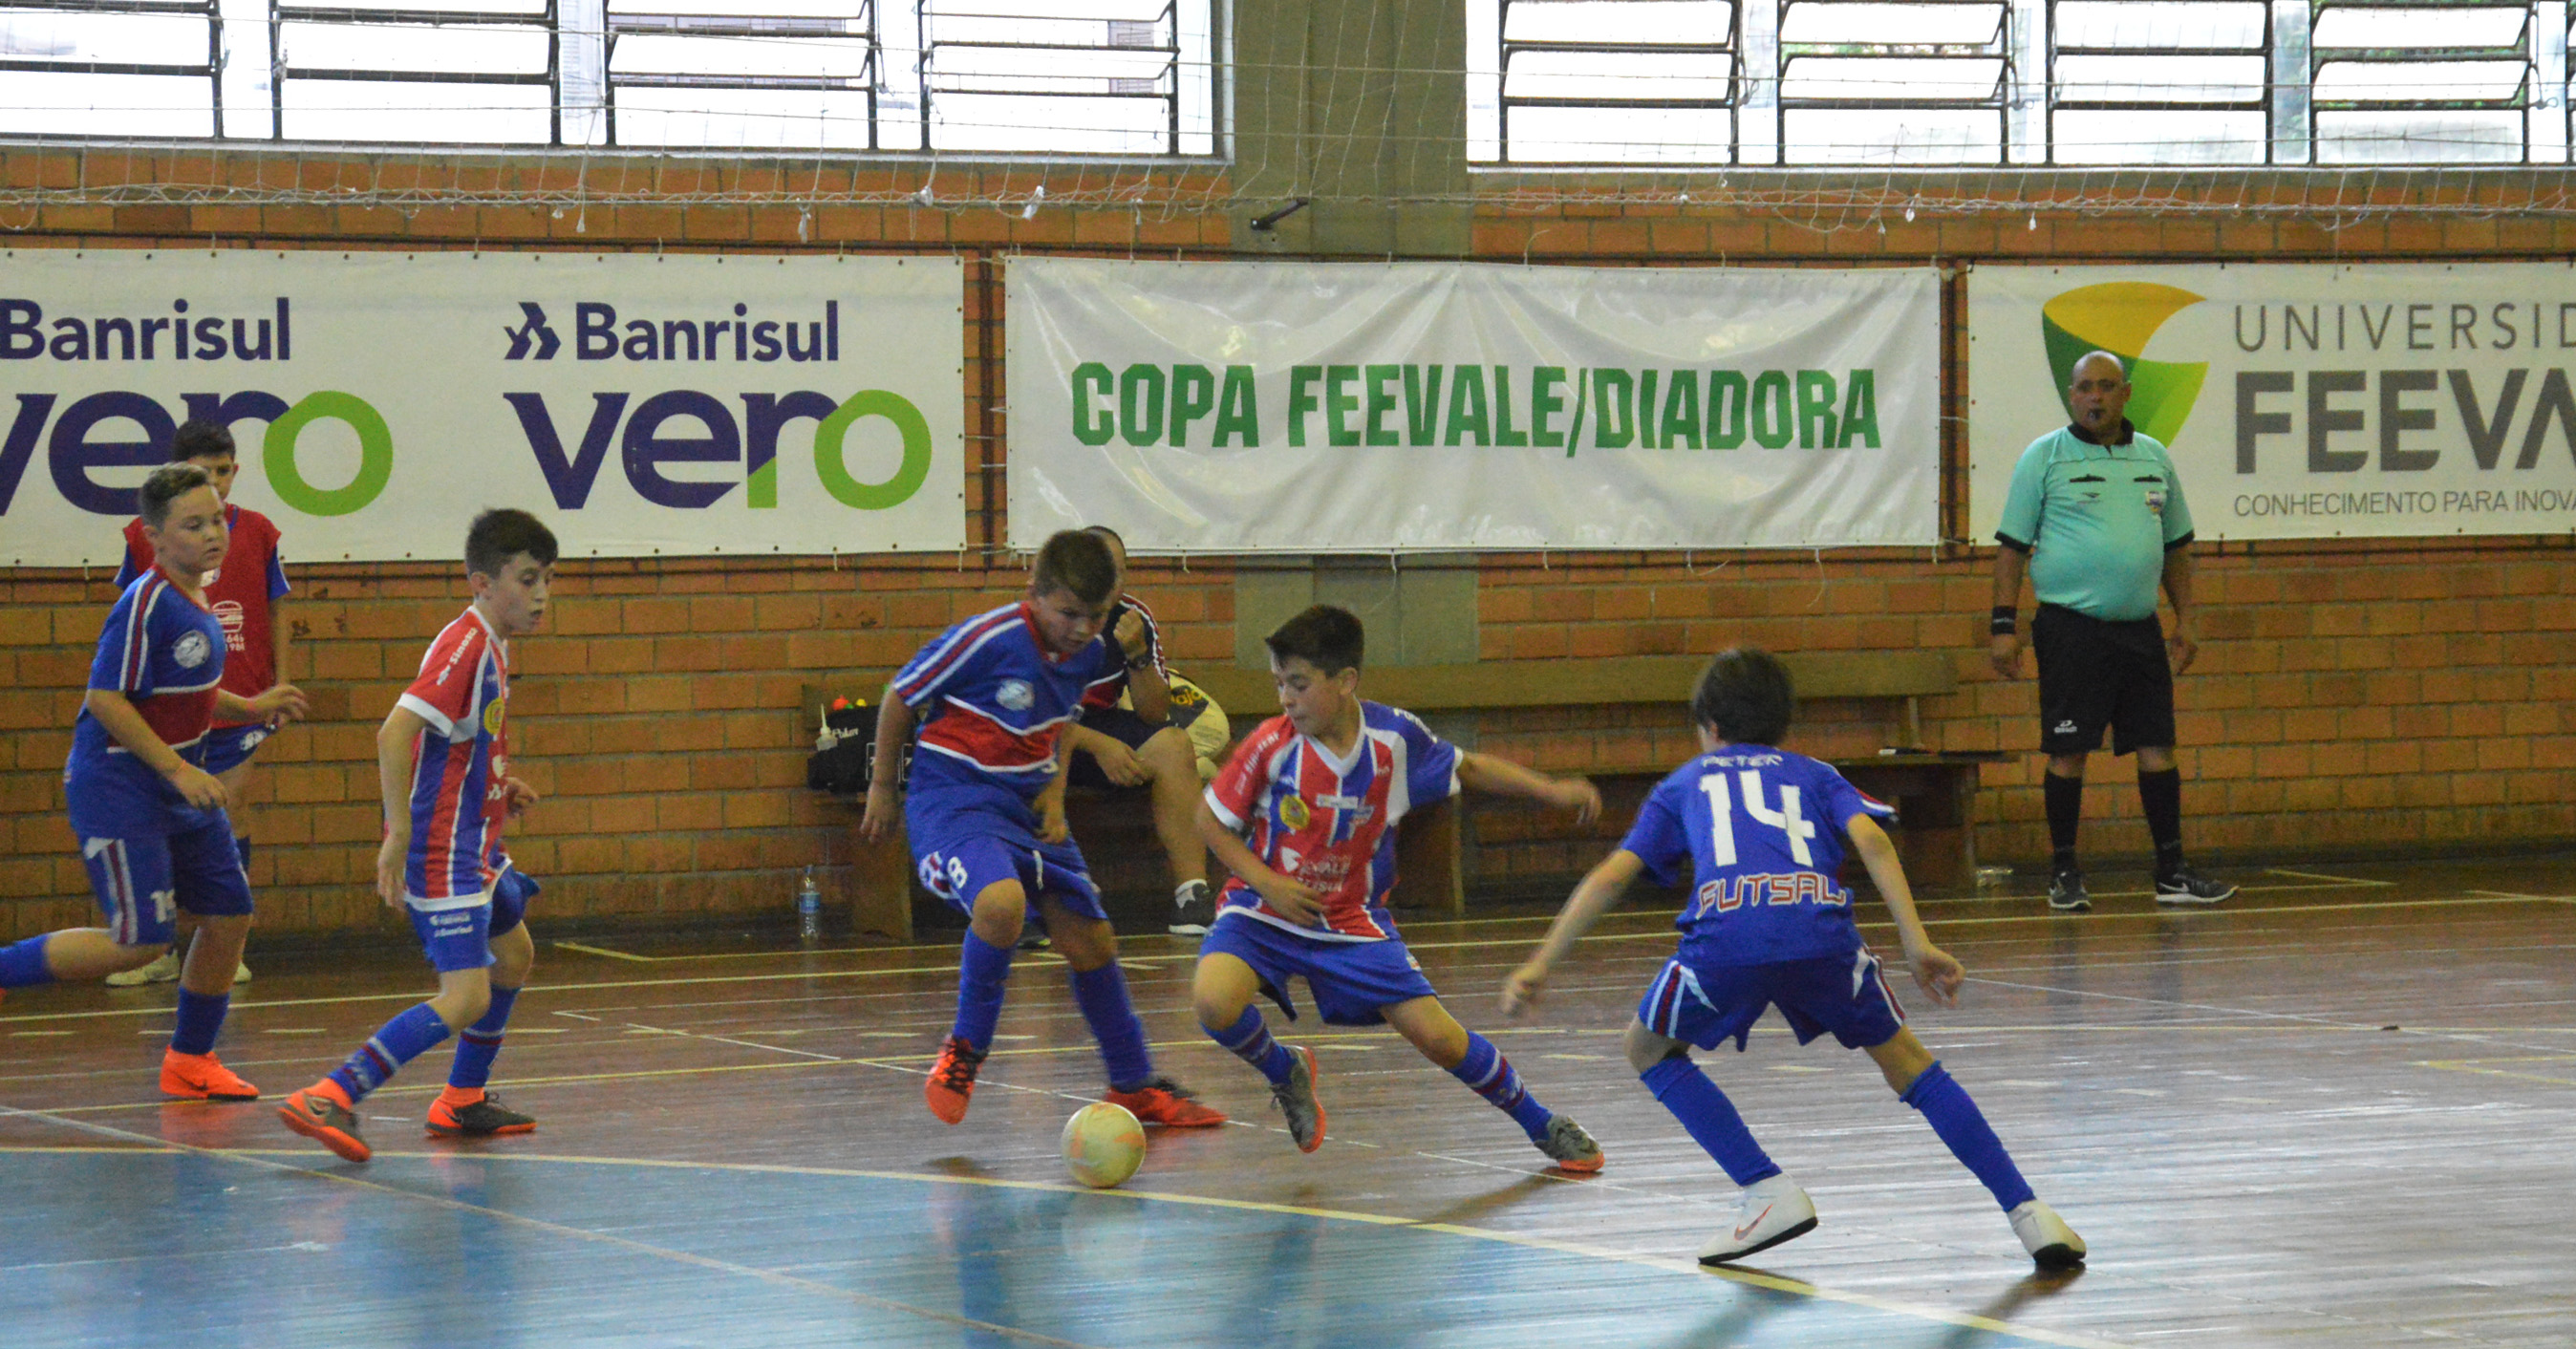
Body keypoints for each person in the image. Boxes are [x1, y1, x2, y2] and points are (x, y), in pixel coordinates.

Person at [1501, 648, 2085, 1270]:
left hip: (1727, 940)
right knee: (1911, 1065)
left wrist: (1541, 962)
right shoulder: (1815, 773)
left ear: (1710, 727)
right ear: (1783, 724)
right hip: (1820, 935)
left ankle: (1764, 1188)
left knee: (1646, 1048)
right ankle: (2028, 1213)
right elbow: (1873, 840)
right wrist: (1915, 941)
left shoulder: (1684, 782)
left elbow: (1612, 877)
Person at [1192, 604, 1608, 1171]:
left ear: (1346, 681)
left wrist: (1551, 791)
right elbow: (1209, 820)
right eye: (1279, 684)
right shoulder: (1271, 744)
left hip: (1350, 918)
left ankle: (1542, 1123)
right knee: (1213, 1001)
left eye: (1299, 684)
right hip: (1263, 909)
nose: (1286, 698)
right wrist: (1267, 882)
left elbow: (1469, 767)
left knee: (1440, 1039)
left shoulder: (1394, 739)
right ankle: (1284, 1068)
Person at [859, 529, 1226, 1130]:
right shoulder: (988, 638)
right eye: (1068, 613)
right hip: (955, 802)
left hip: (1026, 806)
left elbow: (1061, 724)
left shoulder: (1088, 652)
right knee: (1001, 904)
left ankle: (1133, 1084)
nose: (1082, 629)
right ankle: (964, 1051)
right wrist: (881, 786)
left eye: (1096, 616)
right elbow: (900, 695)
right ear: (1034, 590)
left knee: (1093, 942)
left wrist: (1054, 796)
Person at [0, 464, 307, 1100]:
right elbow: (106, 699)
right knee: (140, 942)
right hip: (121, 786)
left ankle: (190, 1060)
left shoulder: (199, 595)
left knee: (229, 915)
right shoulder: (145, 603)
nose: (212, 533)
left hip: (176, 785)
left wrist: (249, 706)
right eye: (193, 525)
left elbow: (186, 690)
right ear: (154, 537)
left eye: (217, 519)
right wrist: (177, 768)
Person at [276, 509, 556, 1162]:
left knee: (514, 955)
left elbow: (454, 744)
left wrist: (498, 788)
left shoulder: (494, 643)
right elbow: (394, 732)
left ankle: (460, 1099)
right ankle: (329, 1095)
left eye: (547, 578)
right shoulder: (466, 646)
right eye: (527, 579)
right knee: (467, 996)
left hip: (477, 845)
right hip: (442, 851)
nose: (541, 594)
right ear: (482, 582)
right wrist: (397, 831)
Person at [1990, 350, 2234, 912]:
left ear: (2125, 394)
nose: (2094, 397)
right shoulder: (2044, 457)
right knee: (2068, 750)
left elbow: (2176, 547)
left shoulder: (2154, 458)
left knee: (2157, 745)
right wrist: (2003, 626)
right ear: (2071, 395)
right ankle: (2064, 873)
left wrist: (2186, 619)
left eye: (2105, 387)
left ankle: (2171, 873)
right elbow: (2011, 550)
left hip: (2139, 630)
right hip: (2070, 629)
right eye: (2084, 388)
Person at [105, 419, 290, 987]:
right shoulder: (145, 557)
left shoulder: (257, 533)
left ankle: (224, 945)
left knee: (226, 807)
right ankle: (159, 947)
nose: (216, 483)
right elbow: (118, 656)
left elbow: (277, 605)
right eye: (202, 473)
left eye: (224, 471)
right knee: (168, 815)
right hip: (171, 711)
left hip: (240, 700)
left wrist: (275, 687)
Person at [1060, 525, 1220, 936]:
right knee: (1037, 755)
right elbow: (1028, 718)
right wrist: (1099, 746)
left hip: (1103, 723)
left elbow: (1152, 713)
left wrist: (1137, 656)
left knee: (1173, 744)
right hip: (1046, 732)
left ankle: (1192, 895)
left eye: (1120, 571)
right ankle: (1047, 891)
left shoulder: (1134, 618)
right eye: (1102, 570)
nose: (1112, 582)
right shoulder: (1049, 618)